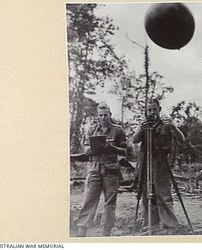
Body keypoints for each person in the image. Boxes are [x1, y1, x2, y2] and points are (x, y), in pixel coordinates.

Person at [132, 99, 185, 233]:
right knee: (145, 193)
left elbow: (181, 139)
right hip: (145, 163)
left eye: (154, 109)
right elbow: (135, 140)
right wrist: (141, 128)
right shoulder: (144, 125)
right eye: (149, 110)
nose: (151, 112)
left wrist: (173, 126)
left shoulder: (166, 124)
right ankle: (151, 222)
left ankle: (170, 225)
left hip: (161, 163)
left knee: (163, 193)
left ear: (159, 109)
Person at [76, 102, 127, 237]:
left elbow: (124, 151)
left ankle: (106, 233)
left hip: (111, 170)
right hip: (94, 169)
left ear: (110, 115)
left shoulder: (118, 130)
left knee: (110, 203)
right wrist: (94, 148)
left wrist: (111, 148)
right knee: (89, 200)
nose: (103, 118)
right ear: (97, 116)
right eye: (100, 115)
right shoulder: (91, 130)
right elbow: (85, 149)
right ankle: (82, 232)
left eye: (105, 115)